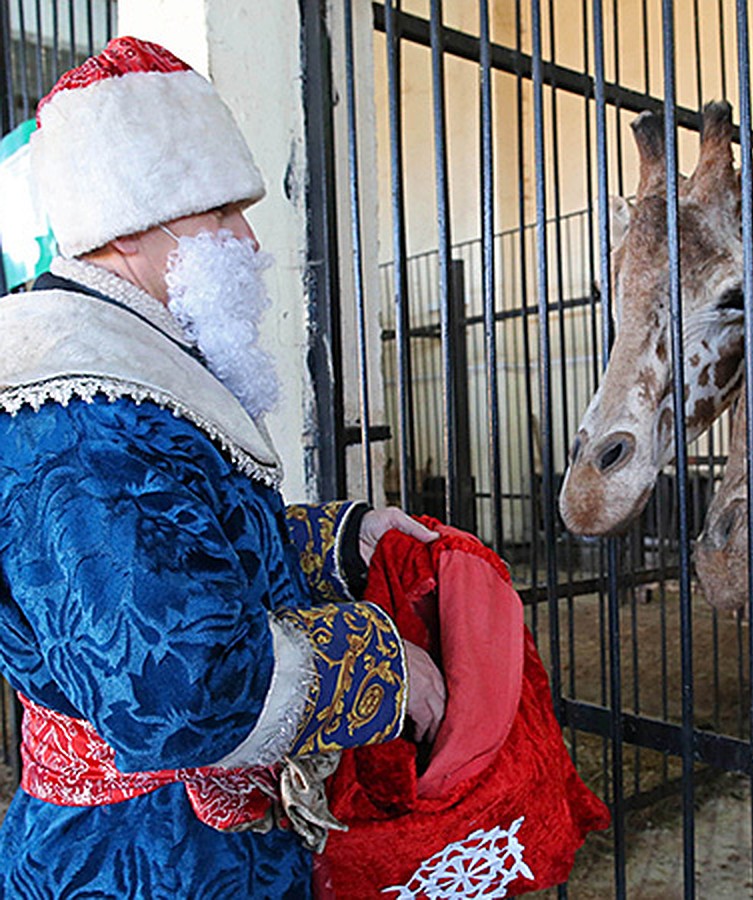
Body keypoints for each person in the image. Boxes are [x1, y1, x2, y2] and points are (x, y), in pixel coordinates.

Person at [0, 36, 447, 897]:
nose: (248, 239)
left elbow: (189, 542)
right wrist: (380, 664)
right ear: (131, 225)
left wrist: (343, 541)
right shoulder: (82, 409)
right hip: (140, 860)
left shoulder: (124, 357)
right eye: (220, 214)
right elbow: (175, 687)